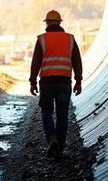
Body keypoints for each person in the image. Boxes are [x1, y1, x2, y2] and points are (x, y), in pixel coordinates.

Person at [29, 10, 83, 159]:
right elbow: (77, 61)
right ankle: (60, 150)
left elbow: (36, 62)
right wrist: (78, 81)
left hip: (46, 82)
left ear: (46, 23)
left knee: (46, 112)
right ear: (60, 22)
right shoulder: (70, 39)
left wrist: (32, 82)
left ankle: (52, 138)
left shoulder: (41, 39)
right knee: (62, 114)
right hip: (64, 82)